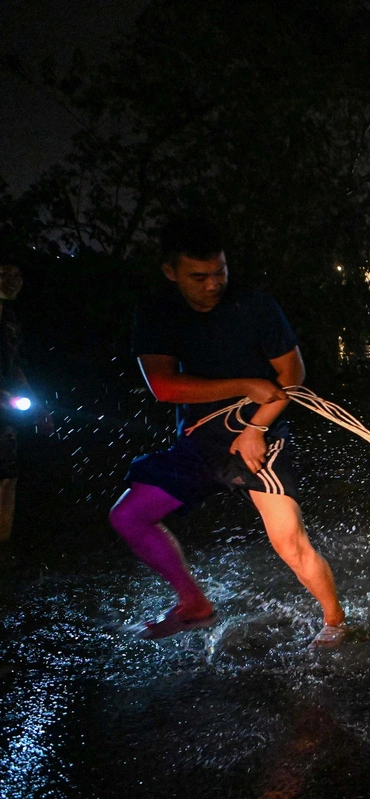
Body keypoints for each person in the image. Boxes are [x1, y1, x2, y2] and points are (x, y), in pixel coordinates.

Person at [109, 217, 345, 647]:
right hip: (200, 441)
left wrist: (256, 426)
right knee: (128, 515)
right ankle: (193, 604)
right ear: (170, 272)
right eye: (198, 277)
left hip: (260, 433)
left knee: (289, 541)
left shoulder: (254, 305)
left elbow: (292, 374)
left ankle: (335, 620)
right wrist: (242, 384)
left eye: (220, 272)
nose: (212, 284)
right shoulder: (157, 310)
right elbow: (163, 386)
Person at [0, 263, 54, 543]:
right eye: (2, 274)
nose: (10, 281)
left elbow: (15, 365)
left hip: (5, 410)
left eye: (16, 275)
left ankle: (3, 546)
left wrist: (38, 405)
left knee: (7, 474)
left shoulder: (10, 319)